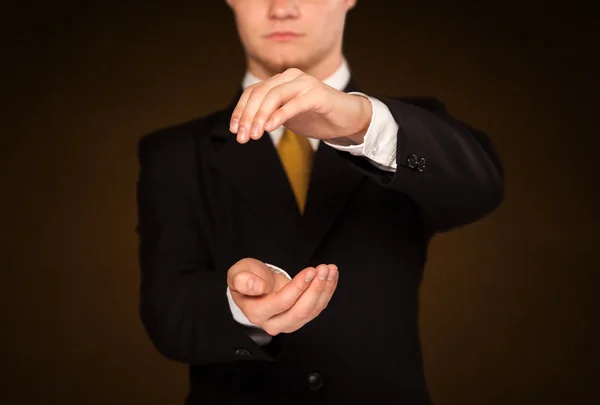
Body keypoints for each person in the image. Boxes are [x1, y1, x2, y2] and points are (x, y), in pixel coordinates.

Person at [135, 0, 504, 403]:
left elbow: (481, 188)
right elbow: (168, 316)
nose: (282, 8)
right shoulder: (173, 153)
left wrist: (361, 121)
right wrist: (243, 309)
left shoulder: (408, 127)